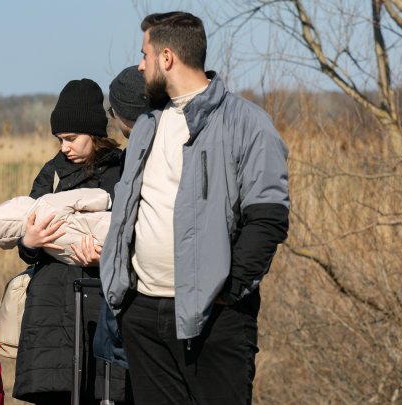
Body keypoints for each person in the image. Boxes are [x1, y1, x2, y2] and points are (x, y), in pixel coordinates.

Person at [100, 11, 290, 405]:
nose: (141, 65)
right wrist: (124, 296)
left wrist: (229, 289)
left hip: (214, 321)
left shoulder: (248, 123)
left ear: (166, 58)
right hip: (143, 316)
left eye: (145, 55)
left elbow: (268, 218)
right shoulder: (148, 125)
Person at [13, 78, 131, 404]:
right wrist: (30, 241)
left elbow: (132, 235)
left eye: (71, 138)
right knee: (55, 391)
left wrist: (103, 258)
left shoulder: (122, 171)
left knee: (103, 391)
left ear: (94, 132)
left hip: (99, 299)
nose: (64, 146)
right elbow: (27, 242)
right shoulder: (50, 173)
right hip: (49, 307)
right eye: (59, 139)